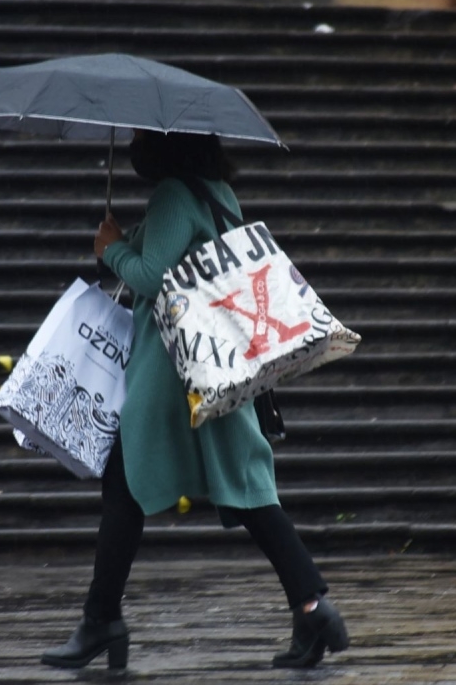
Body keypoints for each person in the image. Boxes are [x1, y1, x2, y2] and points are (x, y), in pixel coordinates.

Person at [40, 130, 350, 671]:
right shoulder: (214, 193)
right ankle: (313, 606)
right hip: (219, 368)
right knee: (250, 491)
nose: (135, 143)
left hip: (172, 375)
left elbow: (153, 276)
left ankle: (101, 621)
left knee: (124, 484)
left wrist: (110, 249)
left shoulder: (173, 197)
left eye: (141, 136)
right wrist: (125, 240)